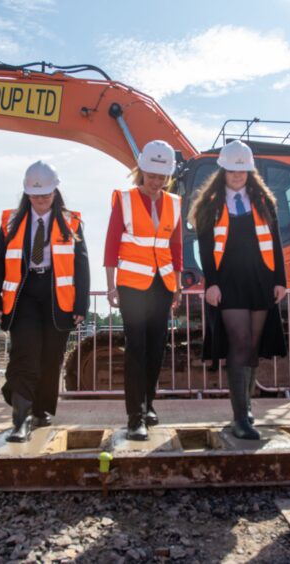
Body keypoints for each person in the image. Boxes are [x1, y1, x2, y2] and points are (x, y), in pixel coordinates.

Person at [189, 140, 287, 440]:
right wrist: (211, 282)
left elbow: (276, 241)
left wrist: (280, 280)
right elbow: (206, 246)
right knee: (240, 343)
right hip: (228, 281)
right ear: (223, 170)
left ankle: (245, 408)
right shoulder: (211, 203)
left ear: (249, 172)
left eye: (242, 171)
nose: (237, 175)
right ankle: (240, 417)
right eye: (232, 170)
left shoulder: (263, 201)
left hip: (260, 279)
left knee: (252, 347)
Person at [0, 161, 89, 443]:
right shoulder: (10, 221)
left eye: (45, 195)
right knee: (25, 353)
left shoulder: (72, 221)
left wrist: (81, 304)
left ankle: (42, 410)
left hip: (58, 297)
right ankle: (21, 419)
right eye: (35, 196)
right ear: (26, 194)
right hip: (24, 294)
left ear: (55, 192)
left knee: (51, 357)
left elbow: (82, 265)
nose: (41, 200)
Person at [104, 140, 182, 441]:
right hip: (132, 285)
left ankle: (149, 403)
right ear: (141, 170)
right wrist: (110, 286)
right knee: (136, 349)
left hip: (162, 285)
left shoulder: (174, 203)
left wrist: (175, 286)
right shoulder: (124, 200)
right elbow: (112, 244)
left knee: (156, 347)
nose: (156, 182)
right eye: (152, 175)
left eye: (162, 177)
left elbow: (175, 248)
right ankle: (135, 417)